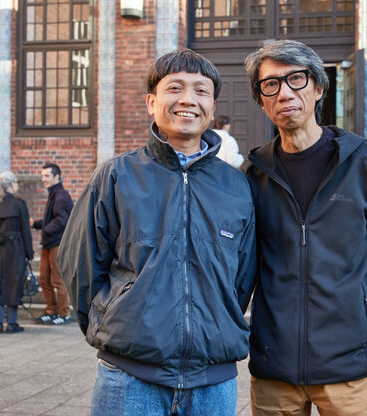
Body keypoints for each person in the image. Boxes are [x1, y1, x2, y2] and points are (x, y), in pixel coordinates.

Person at [57, 49, 257, 415]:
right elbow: (80, 264)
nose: (188, 99)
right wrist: (114, 322)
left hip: (213, 384)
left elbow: (241, 277)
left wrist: (215, 321)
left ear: (211, 106)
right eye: (175, 88)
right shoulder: (116, 176)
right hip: (129, 379)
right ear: (152, 102)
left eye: (201, 90)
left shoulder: (236, 185)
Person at [242, 39, 367, 415]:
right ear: (262, 100)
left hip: (346, 366)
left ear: (317, 88)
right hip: (273, 367)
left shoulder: (364, 161)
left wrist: (356, 318)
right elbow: (243, 266)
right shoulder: (252, 175)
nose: (284, 93)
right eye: (271, 85)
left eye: (296, 79)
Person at [0, 171, 34, 334]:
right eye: (16, 182)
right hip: (16, 249)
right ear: (11, 184)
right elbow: (26, 231)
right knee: (14, 282)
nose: (18, 185)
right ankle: (11, 323)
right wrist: (29, 252)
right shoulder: (19, 204)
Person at [30, 162, 74, 325]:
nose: (43, 179)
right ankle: (51, 311)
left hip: (57, 244)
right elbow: (52, 219)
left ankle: (64, 314)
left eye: (47, 175)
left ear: (57, 177)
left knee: (57, 280)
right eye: (42, 176)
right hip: (48, 244)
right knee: (44, 280)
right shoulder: (53, 194)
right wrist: (36, 223)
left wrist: (45, 229)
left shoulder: (61, 196)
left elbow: (62, 221)